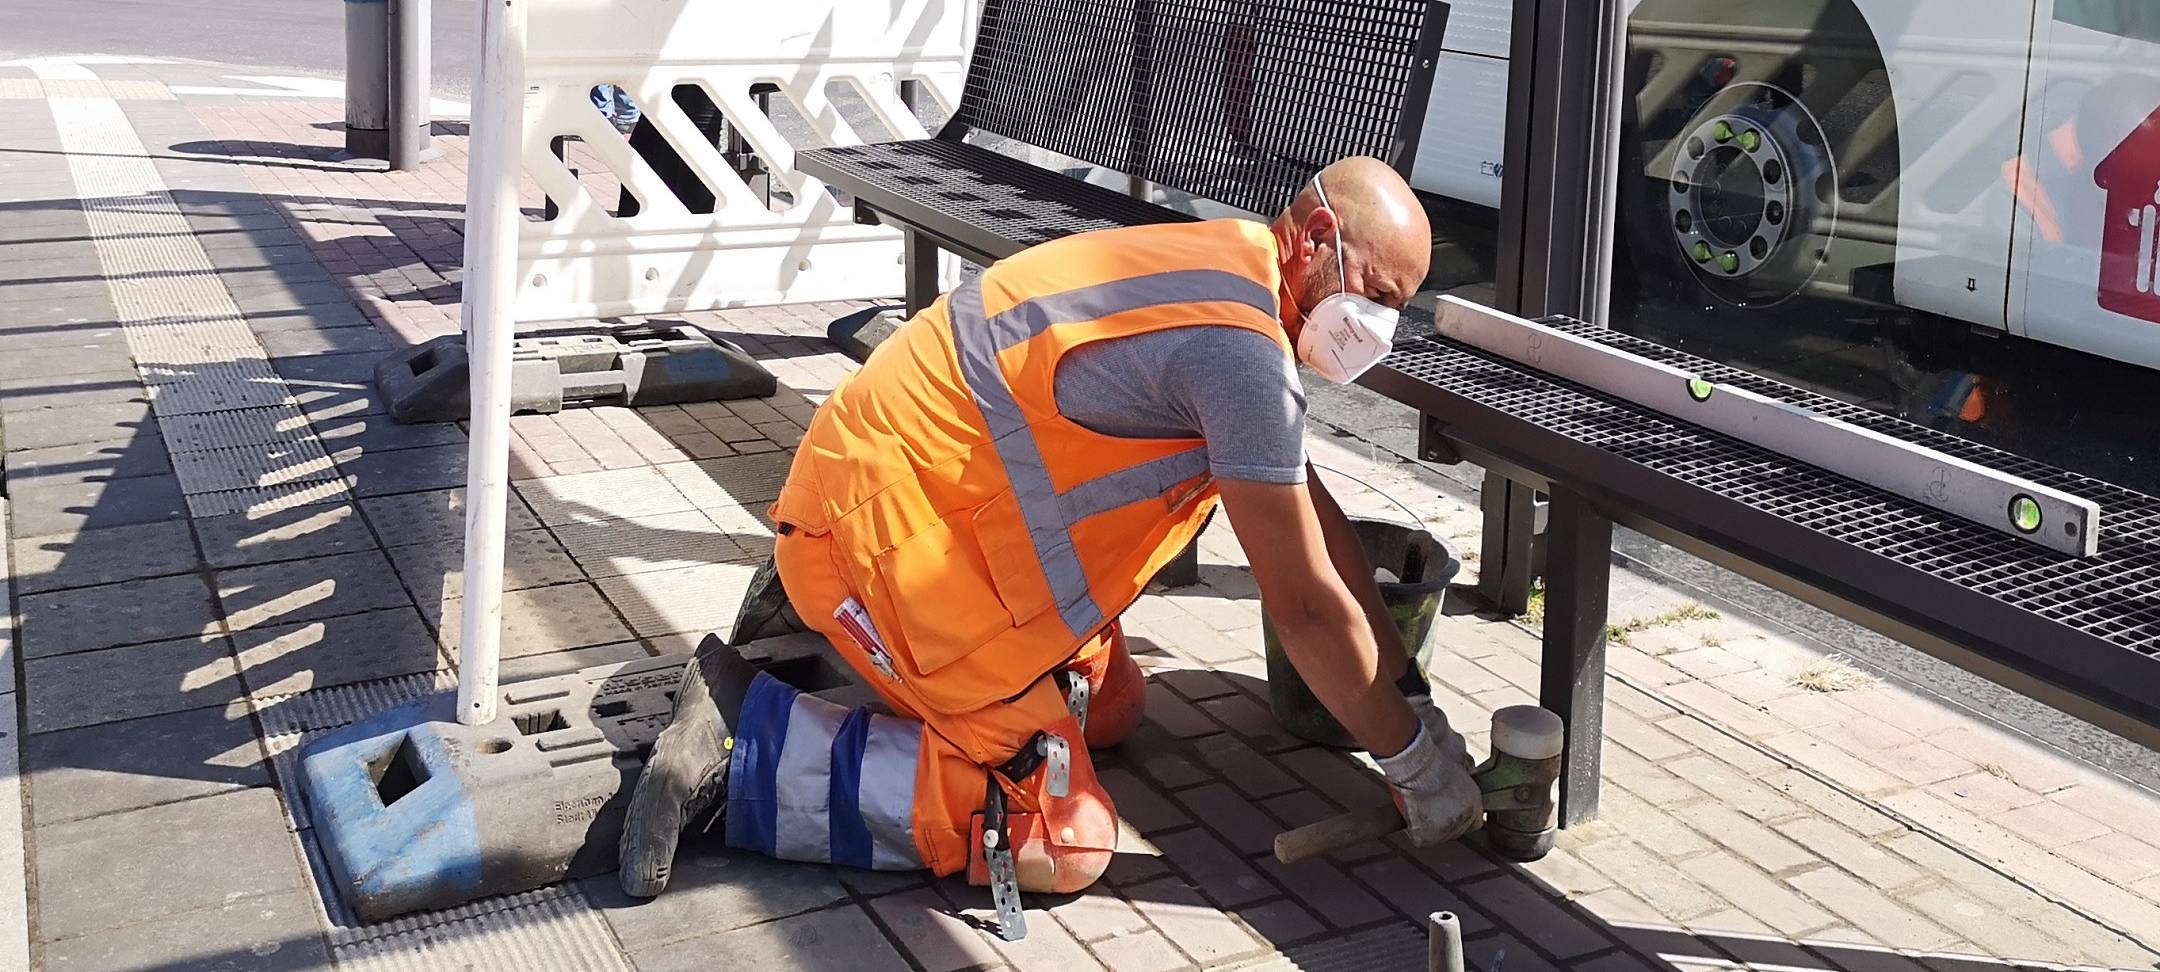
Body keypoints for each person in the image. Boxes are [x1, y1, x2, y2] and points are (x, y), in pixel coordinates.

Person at [617, 155, 1482, 934]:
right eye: (1378, 295)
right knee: (1065, 839)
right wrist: (1409, 758)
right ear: (1319, 236)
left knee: (1112, 709)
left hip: (899, 499)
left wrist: (1408, 696)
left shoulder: (1225, 262)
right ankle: (749, 744)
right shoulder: (1239, 354)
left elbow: (1316, 522)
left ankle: (837, 640)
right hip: (892, 551)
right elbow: (1304, 607)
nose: (1378, 329)